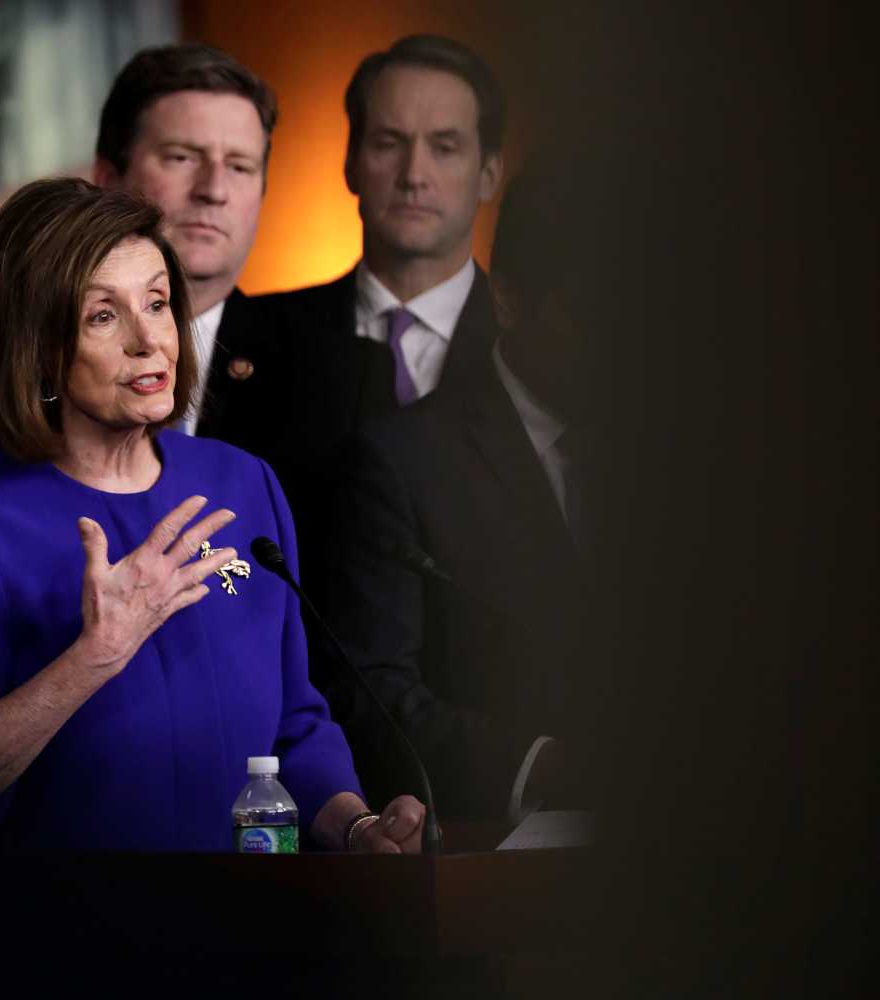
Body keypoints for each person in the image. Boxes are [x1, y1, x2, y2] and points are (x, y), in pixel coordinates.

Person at [0, 178, 423, 853]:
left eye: (158, 303)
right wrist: (94, 656)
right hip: (82, 937)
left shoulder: (241, 482)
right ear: (37, 347)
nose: (148, 340)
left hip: (264, 930)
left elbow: (293, 724)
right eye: (102, 315)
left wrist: (356, 826)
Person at [311, 157, 609, 821]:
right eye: (594, 316)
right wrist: (544, 766)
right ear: (506, 300)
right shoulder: (400, 461)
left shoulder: (681, 451)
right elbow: (372, 688)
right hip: (495, 861)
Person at [251, 34, 507, 546]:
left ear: (489, 174)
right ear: (350, 163)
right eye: (389, 143)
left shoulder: (534, 345)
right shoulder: (256, 337)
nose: (415, 175)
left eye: (445, 147)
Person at [92, 44, 287, 448]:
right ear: (108, 179)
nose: (213, 190)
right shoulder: (22, 369)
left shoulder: (332, 376)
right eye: (181, 158)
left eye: (239, 166)